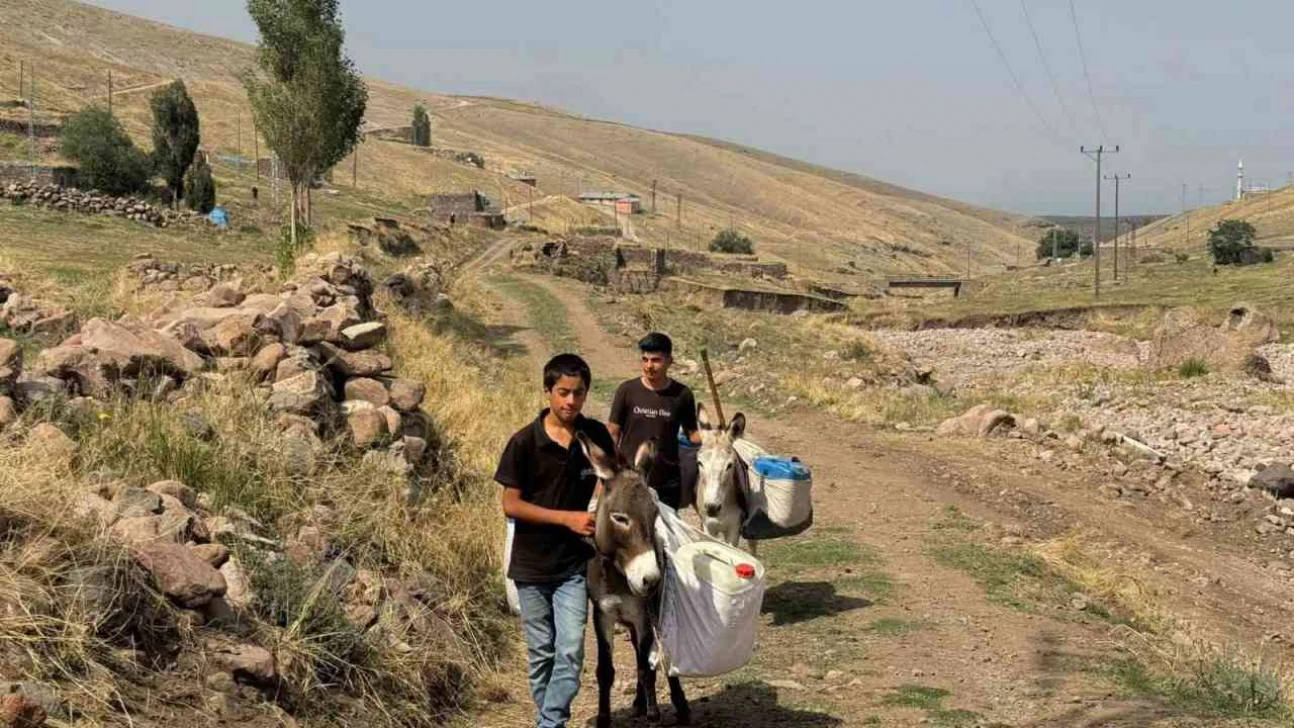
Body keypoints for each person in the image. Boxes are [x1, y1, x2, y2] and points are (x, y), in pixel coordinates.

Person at [496, 353, 613, 728]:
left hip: (572, 566)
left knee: (571, 651)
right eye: (563, 392)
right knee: (542, 653)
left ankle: (550, 723)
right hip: (530, 566)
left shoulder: (594, 436)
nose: (570, 402)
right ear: (547, 391)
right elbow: (510, 505)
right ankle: (551, 721)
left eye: (578, 394)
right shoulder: (524, 443)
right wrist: (568, 518)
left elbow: (615, 483)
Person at [608, 332, 700, 510]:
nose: (649, 366)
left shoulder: (682, 394)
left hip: (667, 482)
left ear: (669, 361)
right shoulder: (627, 390)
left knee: (665, 535)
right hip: (630, 480)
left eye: (656, 360)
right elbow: (613, 432)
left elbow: (693, 435)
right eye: (644, 359)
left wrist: (719, 436)